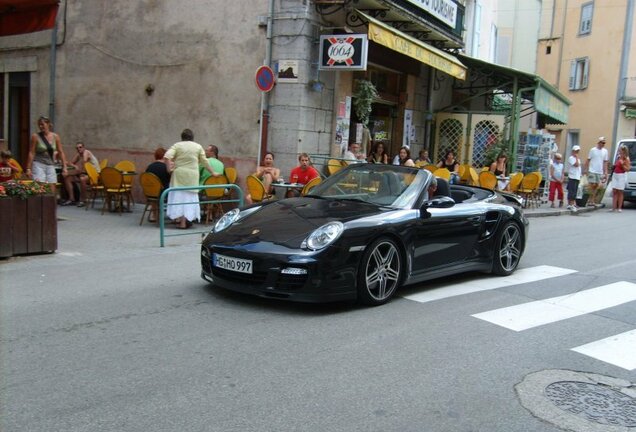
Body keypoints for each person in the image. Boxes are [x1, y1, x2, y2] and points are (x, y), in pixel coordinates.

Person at [164, 129, 219, 229]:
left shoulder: (177, 145)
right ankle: (185, 222)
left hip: (179, 174)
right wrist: (213, 172)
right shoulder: (198, 147)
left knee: (179, 197)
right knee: (189, 197)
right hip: (192, 175)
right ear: (192, 137)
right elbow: (205, 162)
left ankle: (180, 220)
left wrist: (169, 169)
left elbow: (167, 156)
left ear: (182, 137)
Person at [25, 116, 68, 195]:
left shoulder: (55, 137)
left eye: (42, 124)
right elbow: (31, 152)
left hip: (50, 164)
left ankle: (50, 205)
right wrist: (28, 168)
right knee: (40, 186)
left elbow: (61, 152)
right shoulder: (35, 136)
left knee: (52, 185)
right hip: (38, 164)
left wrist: (64, 166)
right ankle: (40, 205)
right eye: (39, 125)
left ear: (48, 124)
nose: (41, 127)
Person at [60, 141, 100, 207]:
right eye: (77, 148)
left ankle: (83, 200)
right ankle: (71, 199)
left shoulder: (86, 153)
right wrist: (74, 166)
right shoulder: (79, 154)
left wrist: (69, 172)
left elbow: (82, 168)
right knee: (68, 178)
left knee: (82, 179)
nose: (79, 149)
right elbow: (70, 162)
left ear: (84, 148)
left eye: (80, 147)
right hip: (86, 173)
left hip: (95, 175)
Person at [584, 136, 609, 206]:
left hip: (599, 171)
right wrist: (585, 169)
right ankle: (590, 199)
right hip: (592, 170)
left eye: (604, 143)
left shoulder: (605, 151)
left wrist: (606, 172)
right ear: (599, 142)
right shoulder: (593, 150)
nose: (603, 144)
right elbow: (588, 159)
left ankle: (592, 200)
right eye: (602, 143)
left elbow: (605, 162)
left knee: (596, 186)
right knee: (592, 184)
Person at [610, 144, 631, 212]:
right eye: (619, 151)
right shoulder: (618, 157)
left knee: (620, 191)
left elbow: (627, 169)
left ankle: (619, 207)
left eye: (620, 151)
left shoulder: (626, 159)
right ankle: (613, 207)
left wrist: (622, 164)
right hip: (615, 175)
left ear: (624, 151)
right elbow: (616, 165)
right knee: (614, 191)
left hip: (621, 175)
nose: (619, 152)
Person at [566, 145, 582, 212]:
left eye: (578, 151)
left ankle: (571, 204)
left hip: (577, 177)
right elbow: (576, 165)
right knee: (572, 191)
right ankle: (571, 204)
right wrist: (576, 157)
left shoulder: (577, 159)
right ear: (573, 151)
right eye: (576, 151)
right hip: (572, 177)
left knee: (574, 191)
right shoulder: (571, 158)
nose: (576, 152)